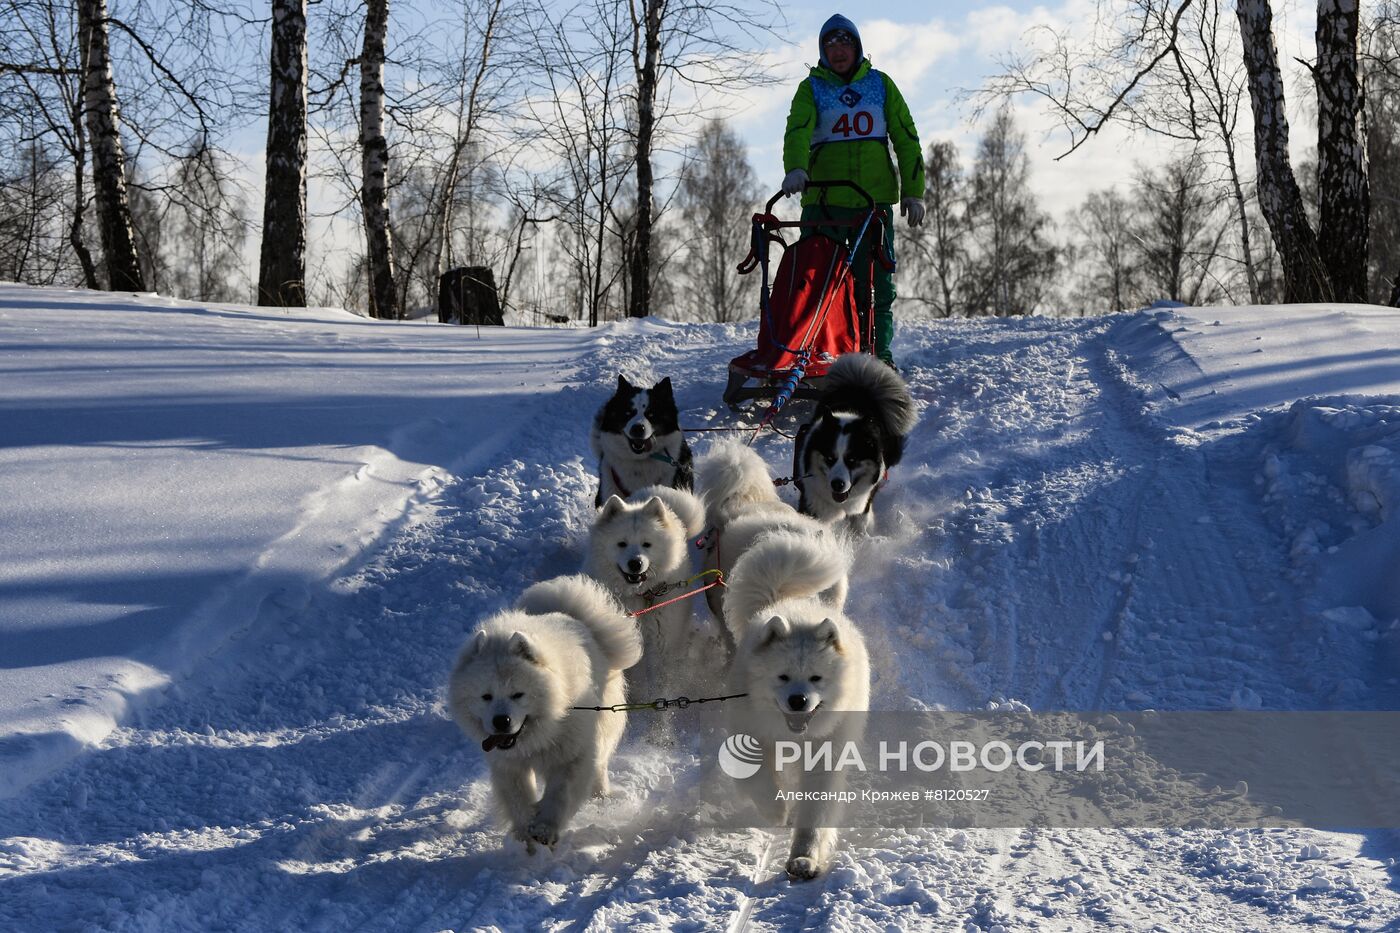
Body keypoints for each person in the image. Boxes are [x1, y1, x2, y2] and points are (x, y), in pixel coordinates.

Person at [781, 14, 924, 368]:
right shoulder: (811, 88)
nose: (838, 51)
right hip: (823, 203)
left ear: (857, 47)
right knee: (814, 286)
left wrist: (914, 190)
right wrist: (796, 168)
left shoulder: (880, 85)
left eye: (844, 43)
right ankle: (811, 353)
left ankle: (877, 355)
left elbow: (906, 138)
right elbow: (797, 131)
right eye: (830, 45)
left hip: (870, 205)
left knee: (874, 287)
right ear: (822, 52)